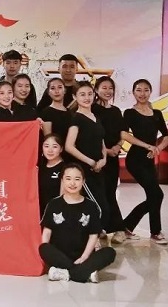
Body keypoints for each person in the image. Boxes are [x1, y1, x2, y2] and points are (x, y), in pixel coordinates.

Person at [40, 163, 117, 283]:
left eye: (77, 179)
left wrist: (84, 257)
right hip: (60, 256)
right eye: (68, 178)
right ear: (62, 180)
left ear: (83, 181)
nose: (72, 183)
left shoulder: (91, 206)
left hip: (83, 255)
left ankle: (66, 273)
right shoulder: (53, 204)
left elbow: (93, 235)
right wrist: (48, 252)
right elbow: (47, 232)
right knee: (43, 248)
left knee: (110, 252)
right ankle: (83, 273)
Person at [122, 79, 168, 245]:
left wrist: (158, 148)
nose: (142, 93)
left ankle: (127, 226)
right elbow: (124, 135)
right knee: (157, 194)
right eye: (138, 90)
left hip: (150, 160)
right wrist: (148, 146)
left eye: (145, 90)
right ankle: (155, 232)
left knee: (153, 195)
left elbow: (167, 136)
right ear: (133, 93)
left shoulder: (157, 113)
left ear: (150, 92)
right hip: (135, 159)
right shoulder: (129, 113)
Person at [92, 76, 131, 244]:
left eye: (110, 88)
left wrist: (117, 146)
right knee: (98, 193)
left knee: (110, 192)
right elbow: (91, 134)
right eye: (104, 88)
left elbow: (123, 132)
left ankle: (113, 228)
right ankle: (105, 228)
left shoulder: (116, 111)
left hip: (113, 158)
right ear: (96, 90)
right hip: (97, 157)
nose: (107, 91)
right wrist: (106, 151)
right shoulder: (92, 109)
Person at [65, 81, 109, 229]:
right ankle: (90, 237)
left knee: (102, 206)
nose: (87, 98)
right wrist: (91, 162)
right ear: (74, 97)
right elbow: (69, 146)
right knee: (98, 207)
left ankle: (93, 235)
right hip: (84, 170)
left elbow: (102, 143)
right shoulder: (76, 118)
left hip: (99, 169)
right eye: (82, 94)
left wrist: (104, 159)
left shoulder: (96, 117)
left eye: (90, 94)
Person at [38, 134, 65, 215]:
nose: (50, 150)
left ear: (61, 149)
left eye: (54, 146)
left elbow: (63, 198)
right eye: (46, 146)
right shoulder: (39, 168)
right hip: (39, 213)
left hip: (57, 214)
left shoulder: (65, 168)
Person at [40, 78, 72, 142]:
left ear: (65, 90)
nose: (56, 91)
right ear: (48, 92)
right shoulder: (46, 112)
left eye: (60, 87)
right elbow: (48, 138)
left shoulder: (70, 113)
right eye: (53, 88)